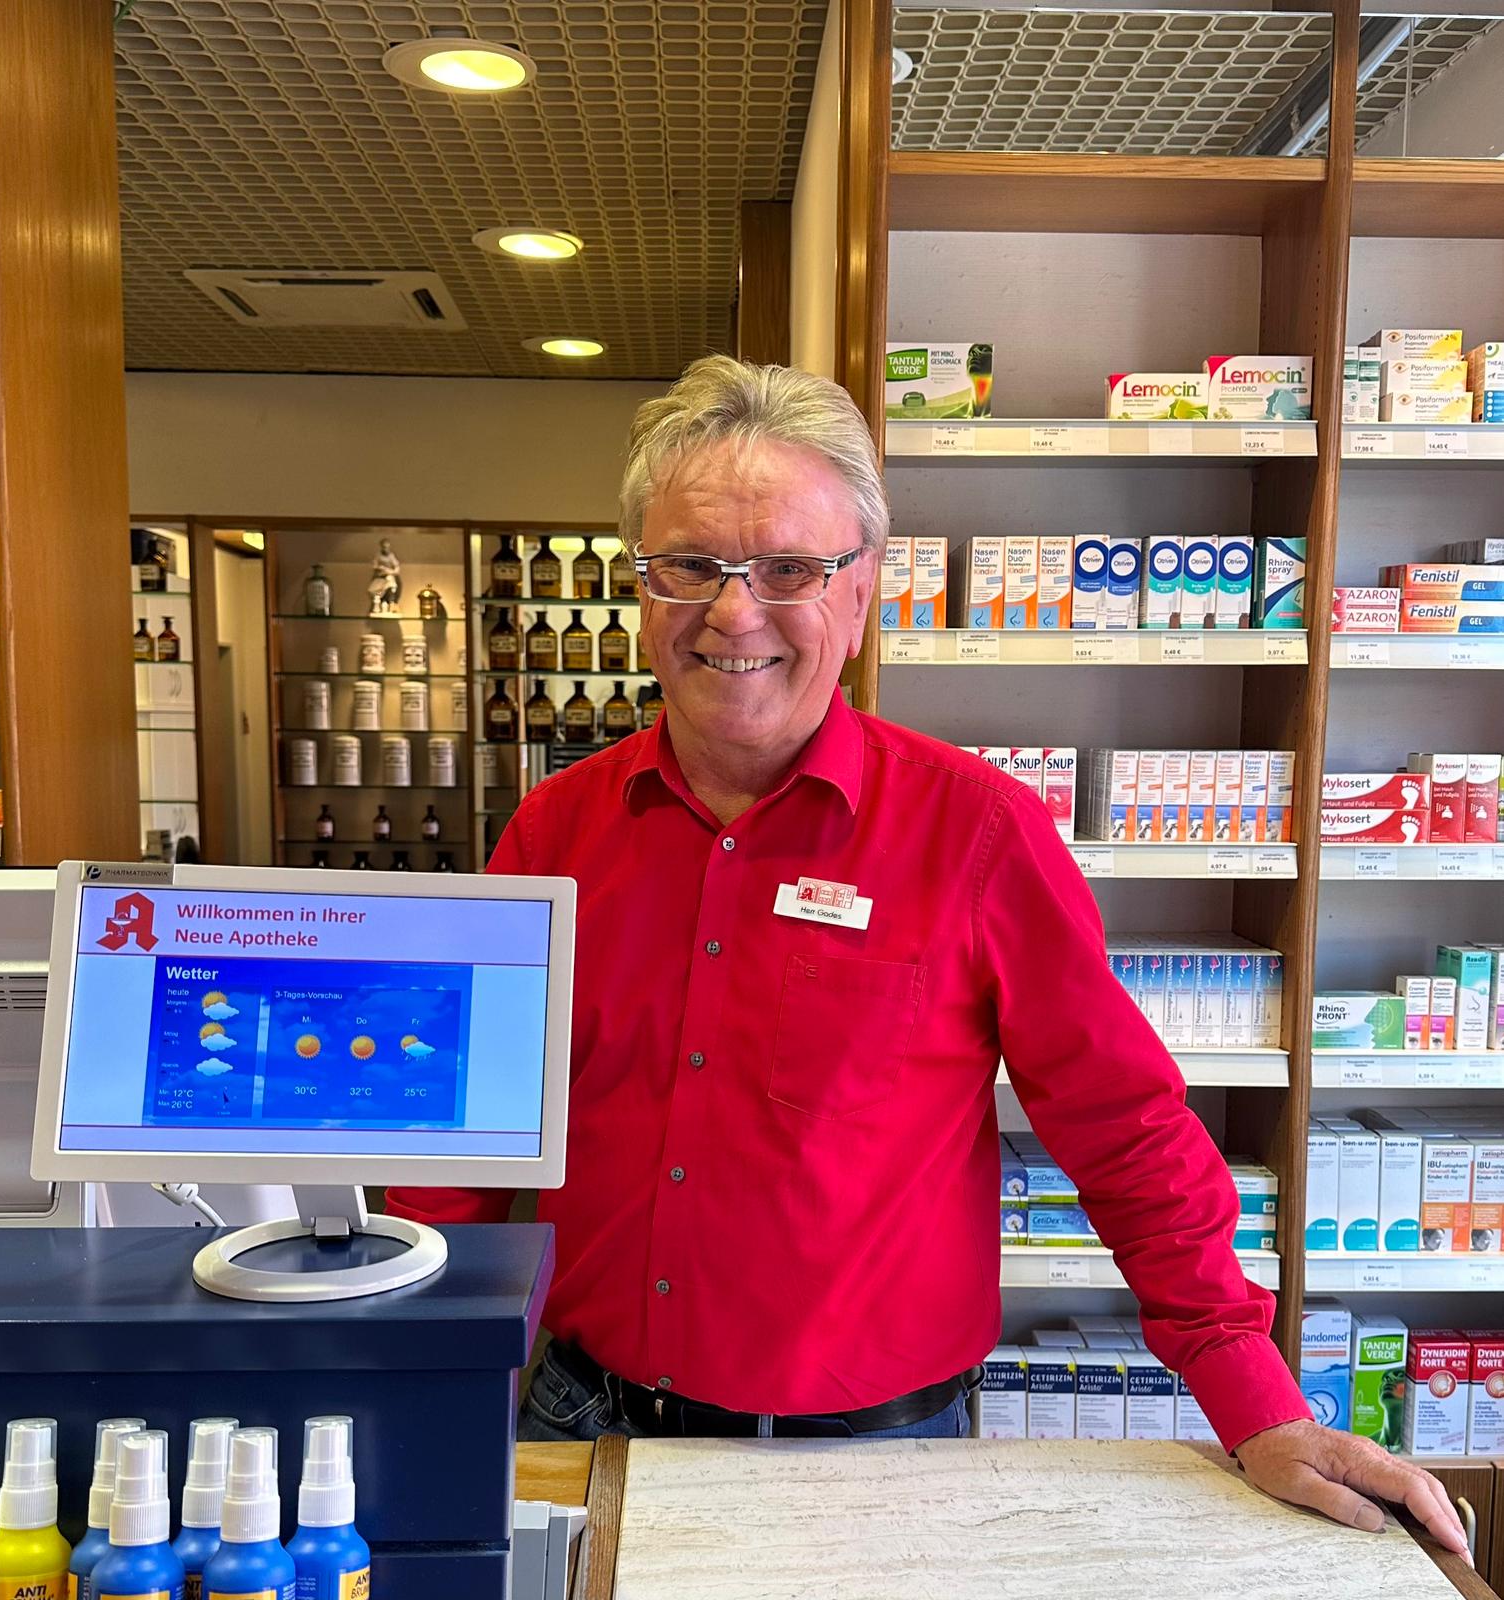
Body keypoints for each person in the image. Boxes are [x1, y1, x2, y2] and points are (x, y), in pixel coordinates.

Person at [390, 356, 1468, 1557]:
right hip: (582, 1426)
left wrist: (1253, 1398)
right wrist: (418, 1388)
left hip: (878, 1463)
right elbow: (462, 1145)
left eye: (788, 569)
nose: (733, 614)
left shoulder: (977, 834)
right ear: (641, 586)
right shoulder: (554, 833)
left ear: (861, 588)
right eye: (689, 565)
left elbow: (1121, 1123)